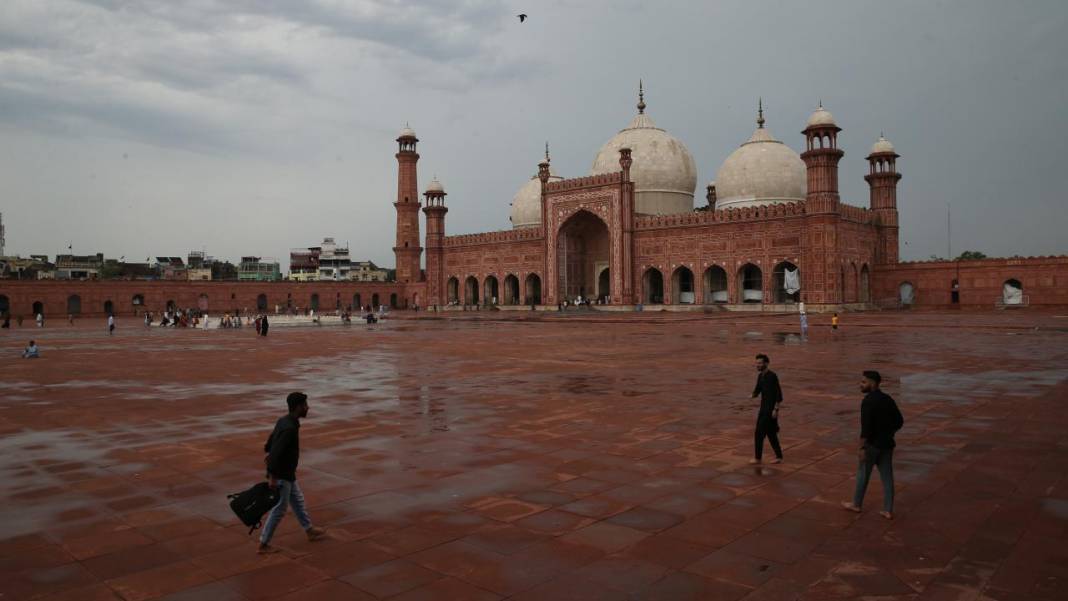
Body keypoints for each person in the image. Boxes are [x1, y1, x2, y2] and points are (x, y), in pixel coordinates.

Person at [259, 392, 327, 553]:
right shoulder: (289, 428)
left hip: (288, 472)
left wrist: (270, 449)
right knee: (280, 509)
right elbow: (275, 453)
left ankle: (309, 530)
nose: (308, 407)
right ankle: (263, 544)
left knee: (297, 500)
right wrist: (272, 476)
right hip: (281, 474)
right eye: (305, 405)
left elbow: (270, 443)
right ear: (298, 407)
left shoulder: (284, 421)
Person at [843, 371, 903, 519]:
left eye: (864, 382)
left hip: (871, 446)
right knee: (887, 477)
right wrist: (889, 433)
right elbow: (899, 421)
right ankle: (888, 509)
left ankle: (856, 504)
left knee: (863, 475)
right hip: (887, 444)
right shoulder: (887, 399)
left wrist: (862, 447)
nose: (861, 384)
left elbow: (865, 428)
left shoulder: (868, 401)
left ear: (873, 383)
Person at [749, 353, 784, 465]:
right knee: (771, 433)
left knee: (759, 433)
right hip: (763, 408)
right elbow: (758, 389)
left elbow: (778, 394)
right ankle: (779, 456)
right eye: (757, 363)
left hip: (770, 410)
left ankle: (758, 458)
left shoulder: (772, 376)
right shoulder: (760, 376)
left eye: (760, 363)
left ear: (766, 363)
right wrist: (753, 395)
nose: (757, 365)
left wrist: (776, 410)